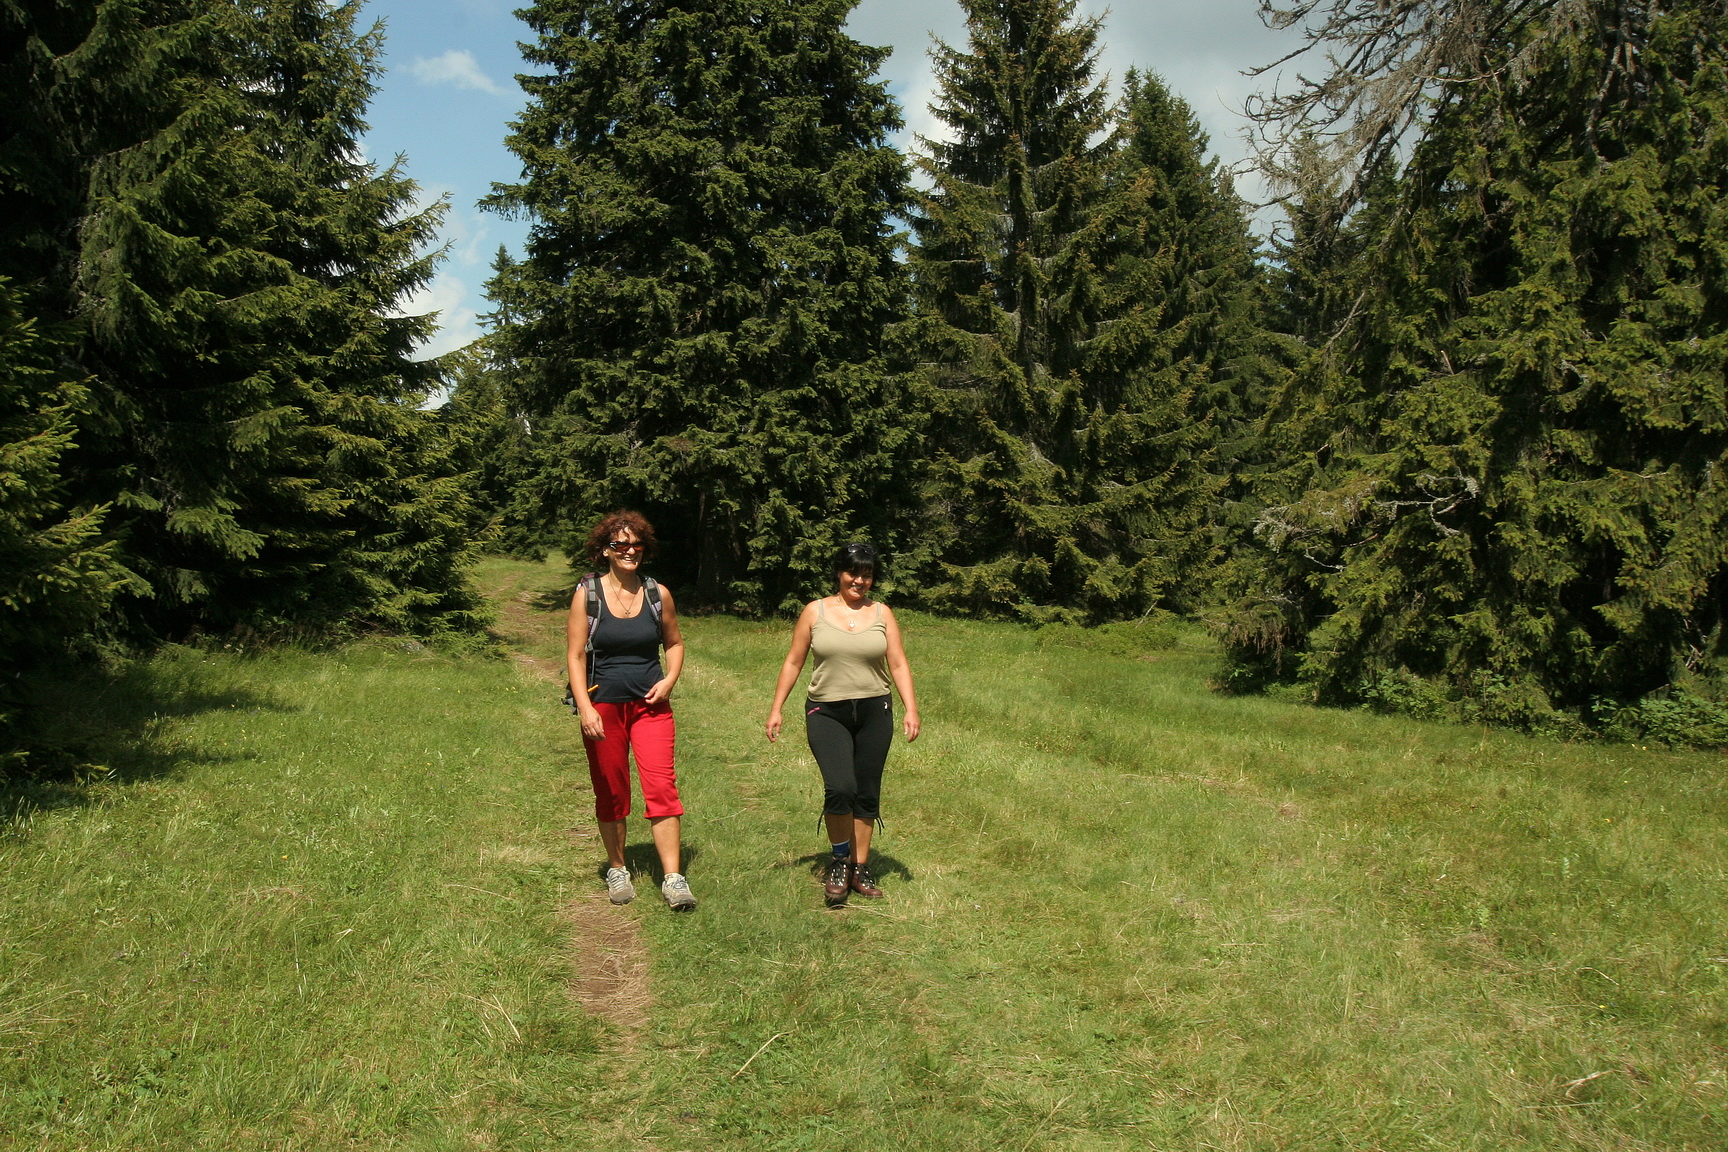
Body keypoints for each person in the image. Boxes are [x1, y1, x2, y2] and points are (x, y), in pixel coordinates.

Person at [766, 542, 920, 907]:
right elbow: (793, 661)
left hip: (874, 711)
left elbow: (898, 663)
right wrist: (777, 708)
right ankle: (839, 860)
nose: (859, 581)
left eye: (867, 575)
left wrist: (911, 709)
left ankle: (860, 867)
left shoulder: (882, 613)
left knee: (866, 791)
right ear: (839, 573)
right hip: (827, 712)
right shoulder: (814, 611)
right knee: (840, 786)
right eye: (853, 573)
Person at [567, 511, 695, 911]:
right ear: (605, 550)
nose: (629, 551)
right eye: (620, 544)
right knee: (611, 787)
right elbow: (574, 655)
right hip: (603, 706)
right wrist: (585, 707)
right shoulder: (588, 594)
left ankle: (673, 879)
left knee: (661, 787)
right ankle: (618, 868)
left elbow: (674, 643)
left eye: (636, 544)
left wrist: (669, 680)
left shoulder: (658, 594)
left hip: (650, 707)